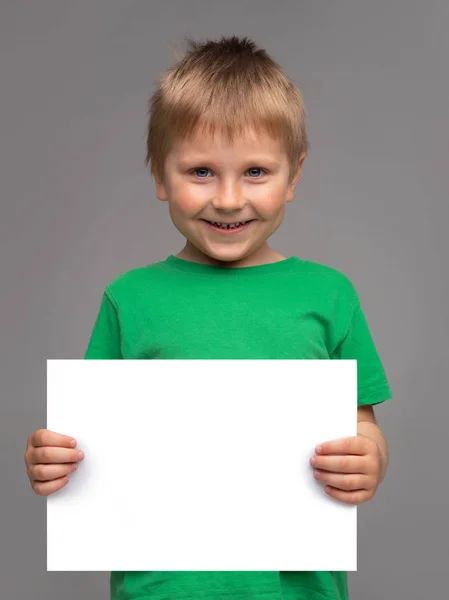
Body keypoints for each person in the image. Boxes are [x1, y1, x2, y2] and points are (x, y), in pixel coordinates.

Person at [24, 34, 392, 600]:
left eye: (255, 172)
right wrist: (50, 459)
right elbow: (83, 438)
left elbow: (361, 425)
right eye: (199, 171)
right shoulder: (130, 298)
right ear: (158, 174)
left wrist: (370, 457)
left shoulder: (330, 295)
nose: (226, 199)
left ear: (293, 176)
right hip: (159, 587)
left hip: (295, 591)